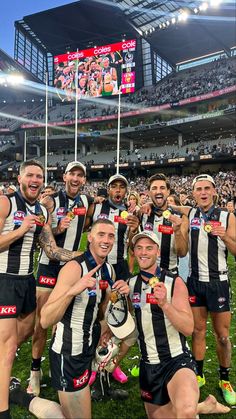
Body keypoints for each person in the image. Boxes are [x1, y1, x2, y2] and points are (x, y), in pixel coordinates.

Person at [0, 160, 82, 419]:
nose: (35, 180)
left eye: (39, 176)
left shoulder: (40, 211)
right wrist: (21, 230)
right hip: (4, 279)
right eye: (30, 175)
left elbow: (51, 249)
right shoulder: (6, 203)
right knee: (9, 345)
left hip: (27, 281)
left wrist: (83, 256)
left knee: (23, 333)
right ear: (20, 178)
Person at [128, 231, 230, 418]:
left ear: (158, 252)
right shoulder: (131, 285)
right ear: (133, 252)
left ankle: (194, 408)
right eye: (139, 248)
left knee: (185, 413)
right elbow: (123, 321)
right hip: (148, 365)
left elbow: (188, 328)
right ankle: (205, 406)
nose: (144, 252)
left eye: (149, 248)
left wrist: (165, 304)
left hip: (176, 361)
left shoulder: (174, 282)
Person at [40, 219, 129, 419]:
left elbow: (101, 308)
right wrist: (73, 291)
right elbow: (45, 319)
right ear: (89, 237)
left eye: (111, 236)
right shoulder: (74, 268)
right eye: (101, 234)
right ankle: (25, 399)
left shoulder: (108, 270)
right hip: (68, 353)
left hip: (88, 348)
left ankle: (25, 398)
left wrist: (106, 326)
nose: (106, 240)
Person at [28, 161, 93, 396]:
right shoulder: (50, 202)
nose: (76, 178)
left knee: (64, 321)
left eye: (80, 175)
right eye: (72, 174)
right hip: (50, 267)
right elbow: (44, 243)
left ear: (84, 180)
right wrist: (57, 230)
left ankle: (59, 369)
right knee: (42, 322)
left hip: (71, 269)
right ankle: (35, 372)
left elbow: (86, 226)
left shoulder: (86, 201)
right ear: (64, 176)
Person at [176, 174, 236, 405]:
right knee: (197, 331)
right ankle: (198, 374)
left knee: (222, 336)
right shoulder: (190, 213)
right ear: (193, 193)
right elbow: (173, 206)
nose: (202, 192)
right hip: (195, 281)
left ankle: (224, 379)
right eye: (198, 189)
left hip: (218, 282)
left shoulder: (227, 216)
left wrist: (225, 236)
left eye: (206, 188)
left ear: (214, 191)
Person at [85, 174, 139, 384]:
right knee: (97, 314)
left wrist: (135, 229)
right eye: (114, 187)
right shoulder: (96, 208)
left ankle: (111, 362)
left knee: (121, 314)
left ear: (126, 191)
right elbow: (81, 226)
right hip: (97, 266)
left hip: (120, 266)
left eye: (121, 187)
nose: (118, 191)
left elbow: (133, 245)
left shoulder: (130, 213)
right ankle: (91, 363)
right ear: (107, 190)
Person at [140, 173, 189, 273]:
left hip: (171, 273)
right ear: (149, 193)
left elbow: (182, 253)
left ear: (168, 192)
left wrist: (178, 232)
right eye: (154, 188)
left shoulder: (179, 216)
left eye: (162, 188)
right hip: (147, 274)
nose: (158, 191)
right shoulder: (143, 213)